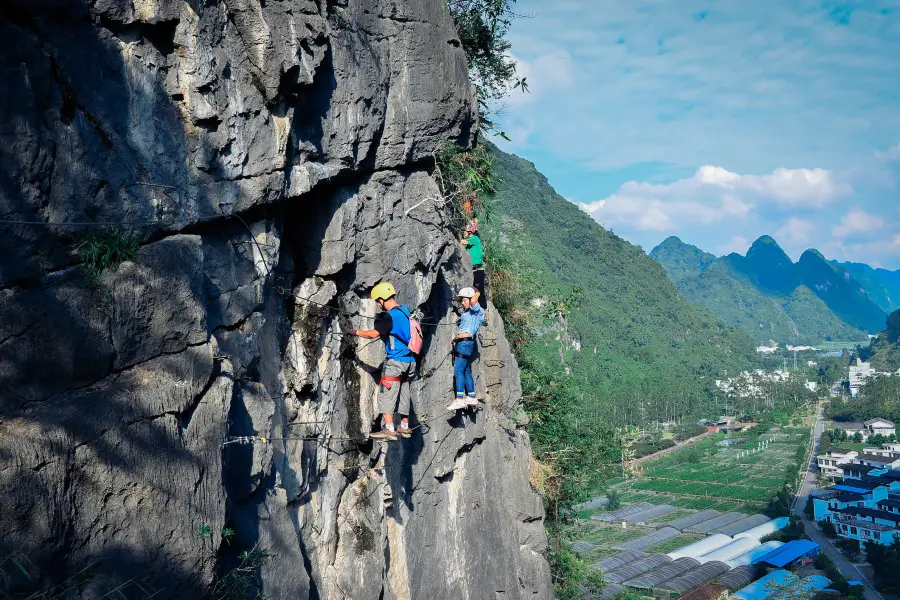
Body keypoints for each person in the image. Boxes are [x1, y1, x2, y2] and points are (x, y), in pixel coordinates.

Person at [348, 282, 416, 440]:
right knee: (404, 391)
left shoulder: (388, 316)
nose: (378, 305)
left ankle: (389, 429)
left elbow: (373, 334)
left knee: (386, 393)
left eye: (377, 302)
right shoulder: (404, 310)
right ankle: (404, 427)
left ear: (381, 299)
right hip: (410, 361)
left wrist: (354, 331)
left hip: (396, 361)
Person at [447, 287, 485, 411]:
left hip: (465, 344)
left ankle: (460, 399)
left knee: (458, 371)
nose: (462, 303)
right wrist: (456, 339)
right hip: (463, 343)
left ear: (470, 299)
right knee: (466, 371)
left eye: (464, 300)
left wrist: (478, 291)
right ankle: (472, 397)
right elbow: (464, 329)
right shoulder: (467, 313)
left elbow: (474, 301)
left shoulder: (477, 312)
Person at [460, 219, 487, 309]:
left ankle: (482, 310)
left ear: (470, 231)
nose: (464, 233)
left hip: (478, 270)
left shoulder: (474, 239)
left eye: (465, 231)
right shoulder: (471, 240)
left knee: (479, 291)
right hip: (472, 269)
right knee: (473, 291)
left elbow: (463, 242)